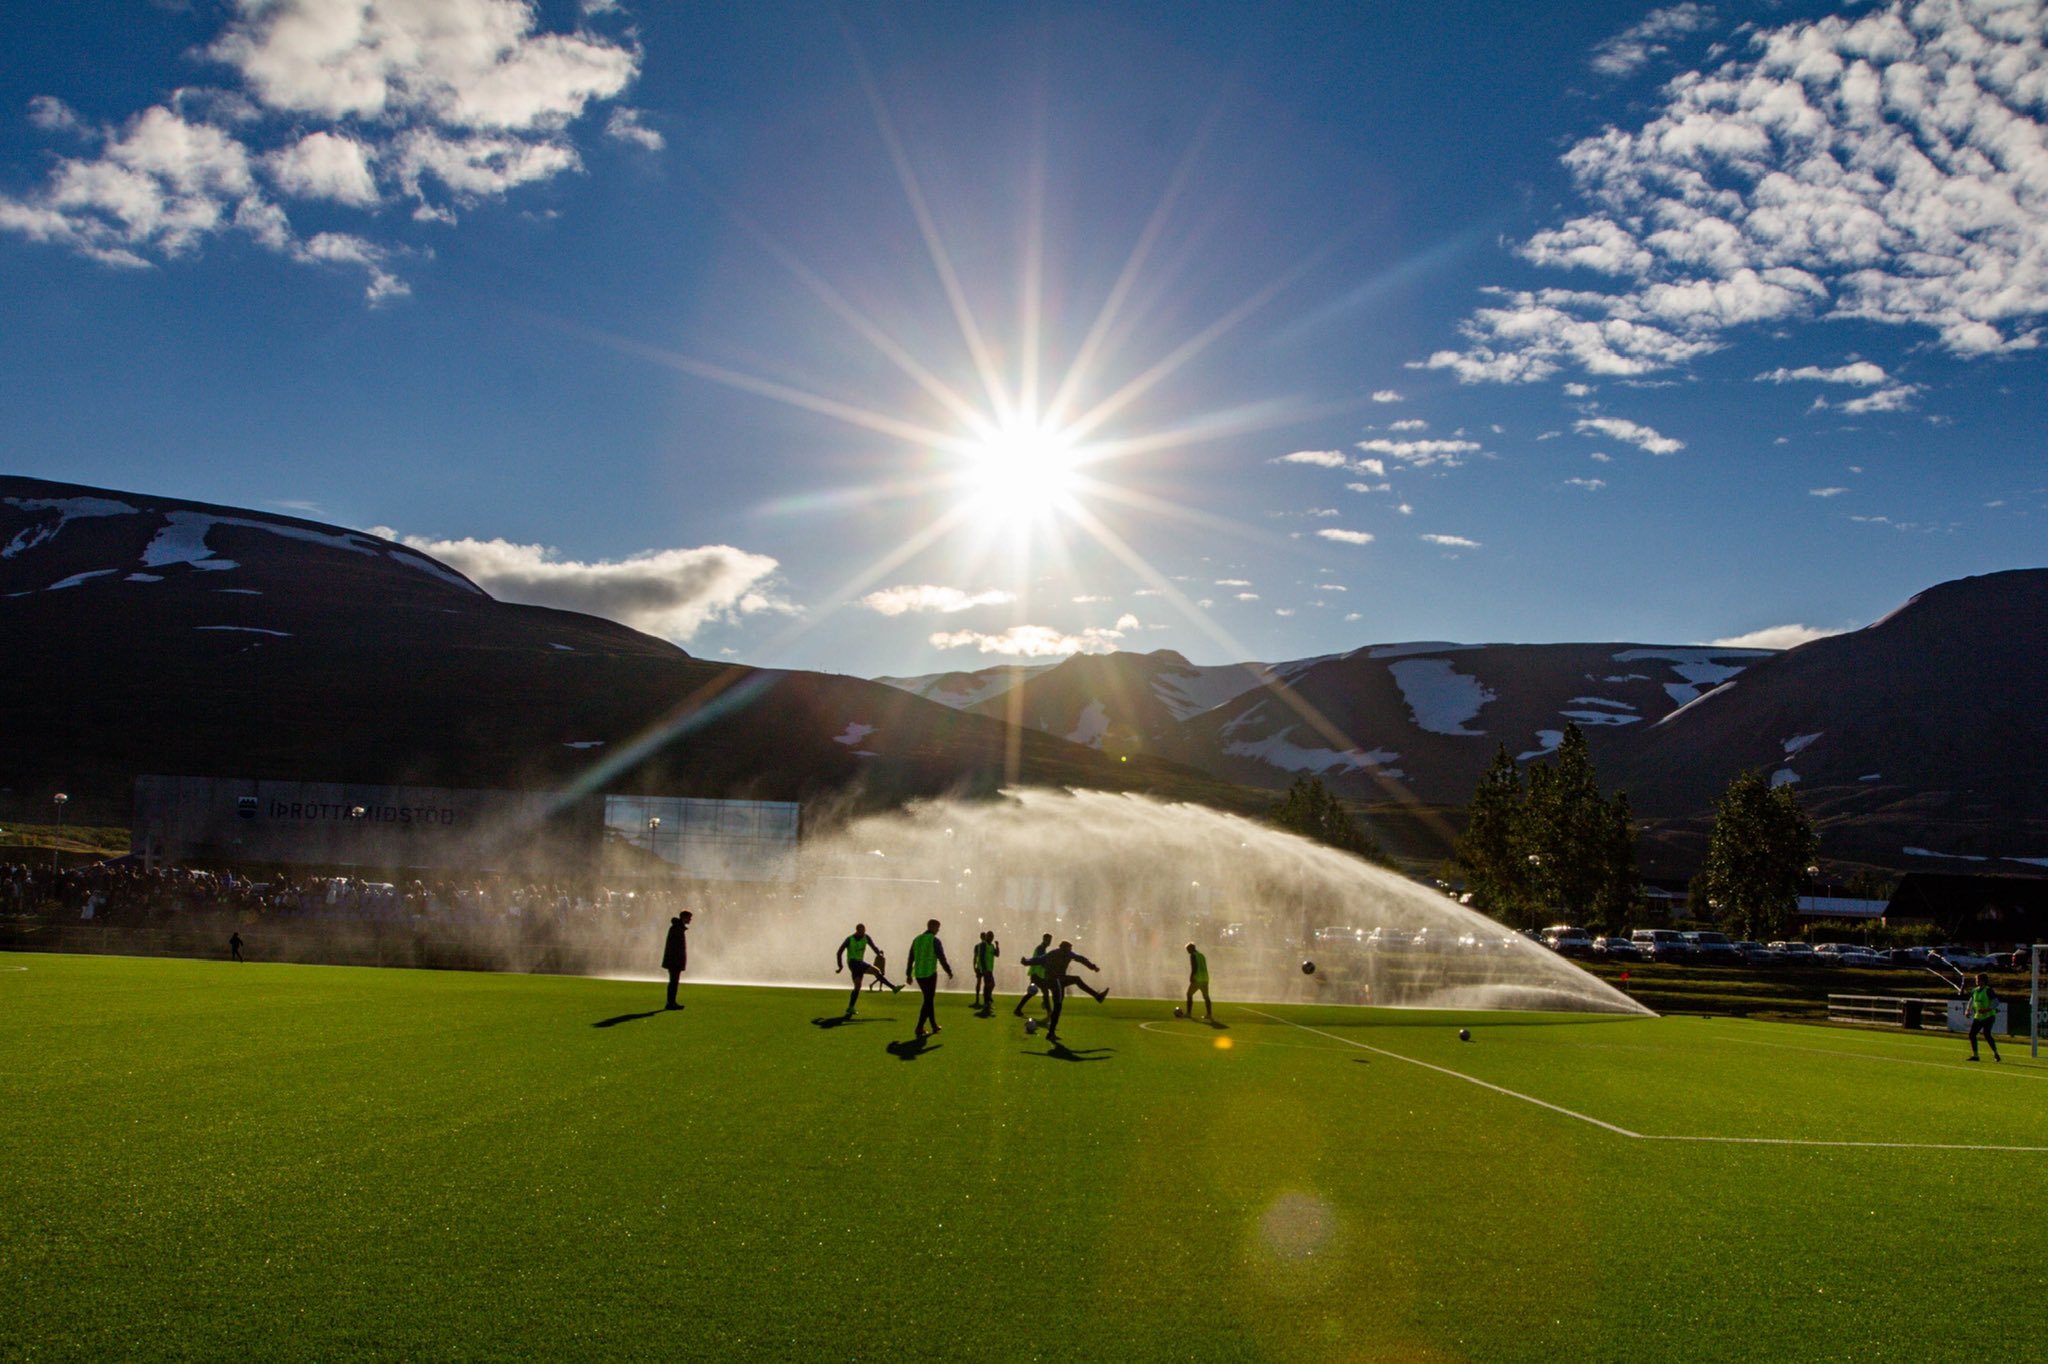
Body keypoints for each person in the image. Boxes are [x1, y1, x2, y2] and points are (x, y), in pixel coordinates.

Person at [1022, 939, 1106, 1044]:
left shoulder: (1053, 953)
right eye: (1070, 948)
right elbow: (1081, 959)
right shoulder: (1067, 953)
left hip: (1053, 981)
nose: (1071, 950)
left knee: (1073, 984)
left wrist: (1026, 962)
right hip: (1057, 981)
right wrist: (1093, 967)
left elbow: (1038, 960)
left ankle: (1051, 1033)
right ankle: (1097, 996)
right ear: (1066, 948)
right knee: (1058, 1006)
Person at [835, 922, 901, 1015]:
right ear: (857, 931)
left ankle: (850, 1007)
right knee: (876, 971)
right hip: (853, 963)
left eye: (864, 931)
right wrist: (840, 966)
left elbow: (874, 947)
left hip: (860, 962)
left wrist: (879, 954)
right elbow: (839, 952)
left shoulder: (866, 937)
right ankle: (893, 988)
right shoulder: (849, 939)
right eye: (861, 932)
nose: (863, 933)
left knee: (858, 986)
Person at [908, 918, 953, 1038]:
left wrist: (908, 974)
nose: (938, 930)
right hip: (930, 973)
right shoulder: (934, 940)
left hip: (918, 974)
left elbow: (911, 957)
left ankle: (934, 1025)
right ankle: (919, 1027)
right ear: (932, 927)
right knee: (928, 1000)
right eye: (937, 927)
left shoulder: (917, 939)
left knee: (929, 999)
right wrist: (948, 970)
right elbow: (941, 957)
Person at [1013, 932, 1054, 1017]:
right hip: (1036, 975)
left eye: (1050, 940)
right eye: (1048, 940)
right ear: (1044, 939)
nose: (1049, 942)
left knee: (1033, 992)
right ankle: (1048, 1010)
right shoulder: (1041, 948)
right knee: (1043, 992)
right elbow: (1039, 961)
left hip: (1038, 975)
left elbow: (1037, 959)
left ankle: (1018, 1009)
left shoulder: (1042, 948)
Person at [662, 910, 692, 1010]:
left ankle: (671, 1002)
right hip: (674, 961)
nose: (690, 920)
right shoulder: (677, 929)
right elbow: (675, 947)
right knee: (674, 982)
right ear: (684, 917)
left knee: (674, 981)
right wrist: (678, 960)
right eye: (689, 918)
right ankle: (671, 1003)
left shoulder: (677, 928)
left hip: (674, 960)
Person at [1967, 972, 2001, 1062]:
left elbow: (1996, 1002)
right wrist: (1968, 1010)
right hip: (1978, 1016)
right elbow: (1971, 1001)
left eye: (1978, 980)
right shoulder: (1974, 990)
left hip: (1989, 1016)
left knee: (1987, 1034)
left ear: (1983, 981)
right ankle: (1975, 1055)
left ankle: (1995, 1053)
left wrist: (1987, 1009)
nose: (1976, 981)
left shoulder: (1988, 990)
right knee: (1972, 1034)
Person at [972, 930, 1000, 1009]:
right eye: (989, 936)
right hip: (984, 969)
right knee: (989, 984)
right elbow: (980, 957)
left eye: (992, 937)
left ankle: (987, 1002)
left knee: (989, 985)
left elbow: (997, 954)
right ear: (986, 936)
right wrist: (983, 968)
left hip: (989, 969)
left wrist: (997, 946)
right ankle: (986, 1002)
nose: (991, 938)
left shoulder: (991, 946)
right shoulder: (983, 945)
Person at [1185, 942, 1212, 1020]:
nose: (1187, 951)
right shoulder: (1201, 955)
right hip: (1205, 978)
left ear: (1191, 949)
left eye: (1188, 949)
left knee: (1189, 994)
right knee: (1206, 997)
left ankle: (1188, 1013)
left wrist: (1192, 976)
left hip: (1197, 979)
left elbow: (1194, 967)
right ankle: (1209, 1014)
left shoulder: (1193, 955)